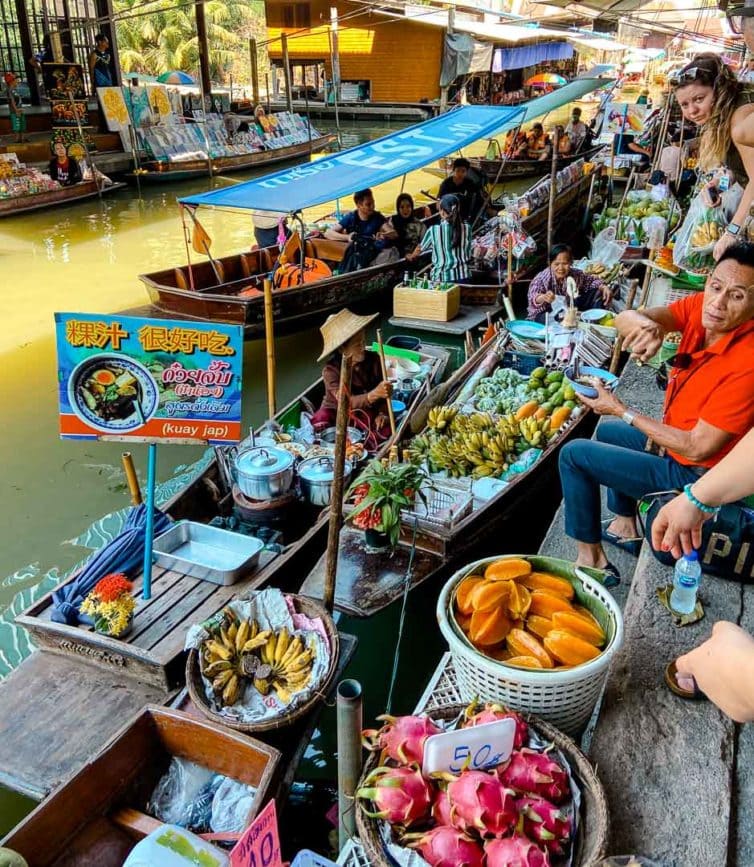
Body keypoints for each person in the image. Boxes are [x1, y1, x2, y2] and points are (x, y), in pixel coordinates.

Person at [558, 242, 754, 581]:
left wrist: (621, 409)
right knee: (605, 432)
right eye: (716, 286)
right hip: (678, 446)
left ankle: (591, 561)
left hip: (697, 473)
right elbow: (624, 317)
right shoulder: (702, 309)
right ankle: (624, 523)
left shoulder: (747, 363)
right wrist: (644, 326)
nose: (718, 303)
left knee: (574, 455)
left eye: (736, 296)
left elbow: (697, 447)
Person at [672, 54, 754, 261]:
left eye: (699, 99)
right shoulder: (722, 116)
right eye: (684, 104)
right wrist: (718, 183)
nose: (692, 110)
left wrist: (732, 232)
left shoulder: (740, 118)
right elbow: (739, 165)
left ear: (719, 91)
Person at [311, 309, 392, 436]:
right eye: (357, 344)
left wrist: (383, 413)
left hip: (364, 410)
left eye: (363, 342)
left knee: (383, 430)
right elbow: (345, 402)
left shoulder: (374, 360)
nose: (363, 347)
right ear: (343, 348)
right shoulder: (330, 371)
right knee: (320, 421)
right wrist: (373, 395)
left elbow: (384, 396)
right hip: (336, 410)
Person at [526, 244, 612, 322]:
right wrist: (544, 297)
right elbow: (533, 297)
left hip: (569, 308)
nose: (561, 268)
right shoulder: (541, 278)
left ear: (571, 262)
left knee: (598, 292)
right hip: (549, 312)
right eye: (556, 264)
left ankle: (595, 322)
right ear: (550, 263)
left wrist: (603, 287)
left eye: (565, 263)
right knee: (551, 318)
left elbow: (591, 281)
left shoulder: (576, 274)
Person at [406, 193, 472, 284]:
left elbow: (419, 249)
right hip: (464, 276)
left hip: (442, 278)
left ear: (442, 212)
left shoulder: (434, 230)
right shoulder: (467, 228)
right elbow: (468, 253)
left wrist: (411, 256)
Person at [324, 188, 390, 246]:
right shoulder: (351, 217)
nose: (373, 206)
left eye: (373, 202)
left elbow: (393, 233)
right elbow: (328, 233)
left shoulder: (377, 217)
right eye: (368, 204)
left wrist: (384, 235)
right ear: (358, 205)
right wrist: (347, 237)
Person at [438, 157, 483, 221]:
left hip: (464, 212)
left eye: (463, 171)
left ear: (466, 172)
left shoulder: (469, 183)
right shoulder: (446, 183)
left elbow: (478, 198)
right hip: (448, 212)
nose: (460, 174)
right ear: (454, 170)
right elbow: (439, 200)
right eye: (458, 171)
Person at [3, 72, 26, 143]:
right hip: (15, 110)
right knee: (17, 124)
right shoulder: (9, 90)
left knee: (22, 123)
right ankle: (17, 139)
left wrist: (21, 109)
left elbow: (19, 100)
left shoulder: (15, 89)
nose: (17, 81)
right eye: (15, 79)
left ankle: (22, 138)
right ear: (11, 81)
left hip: (20, 109)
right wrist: (16, 110)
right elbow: (12, 101)